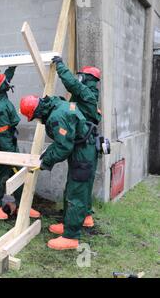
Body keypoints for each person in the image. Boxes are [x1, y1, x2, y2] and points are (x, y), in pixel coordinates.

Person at [20, 95, 97, 250]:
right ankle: (69, 224)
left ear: (38, 113)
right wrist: (46, 154)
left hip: (83, 153)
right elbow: (65, 140)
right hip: (82, 149)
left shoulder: (56, 118)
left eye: (35, 118)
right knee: (72, 190)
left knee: (76, 194)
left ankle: (71, 237)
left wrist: (45, 162)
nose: (37, 121)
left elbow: (63, 147)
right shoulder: (56, 104)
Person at [52, 56, 101, 228]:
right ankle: (86, 217)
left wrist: (60, 65)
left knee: (75, 187)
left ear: (87, 79)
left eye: (81, 76)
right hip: (87, 145)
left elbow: (72, 83)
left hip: (82, 147)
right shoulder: (88, 96)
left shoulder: (85, 93)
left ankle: (70, 227)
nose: (78, 77)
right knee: (84, 183)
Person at [0, 67, 40, 220]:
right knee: (3, 174)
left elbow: (4, 81)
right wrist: (11, 154)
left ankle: (23, 205)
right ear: (1, 87)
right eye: (4, 82)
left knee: (15, 173)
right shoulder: (1, 108)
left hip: (6, 142)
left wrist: (11, 69)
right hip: (4, 146)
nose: (7, 83)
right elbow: (2, 134)